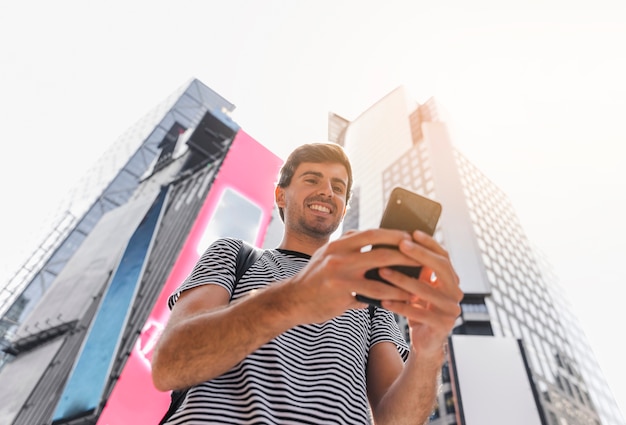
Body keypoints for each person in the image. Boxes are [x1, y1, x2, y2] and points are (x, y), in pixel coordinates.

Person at [151, 142, 463, 424]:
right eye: (312, 179)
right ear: (281, 195)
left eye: (338, 187)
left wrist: (429, 350)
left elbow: (398, 422)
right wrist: (293, 301)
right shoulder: (234, 255)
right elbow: (170, 364)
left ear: (342, 207)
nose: (327, 191)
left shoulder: (371, 300)